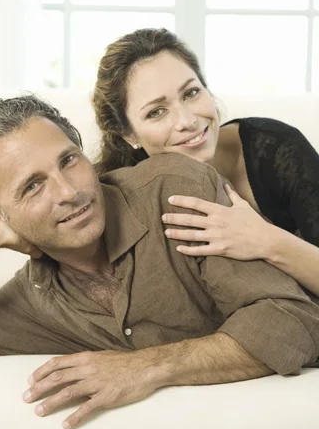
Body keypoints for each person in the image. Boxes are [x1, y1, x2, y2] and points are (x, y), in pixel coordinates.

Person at [0, 95, 318, 429]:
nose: (69, 192)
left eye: (69, 161)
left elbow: (292, 322)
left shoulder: (176, 191)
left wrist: (144, 368)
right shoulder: (32, 300)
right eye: (33, 186)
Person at [92, 27, 319, 296]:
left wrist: (264, 240)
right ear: (128, 134)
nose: (188, 121)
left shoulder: (276, 149)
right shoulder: (121, 194)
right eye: (157, 112)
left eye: (190, 93)